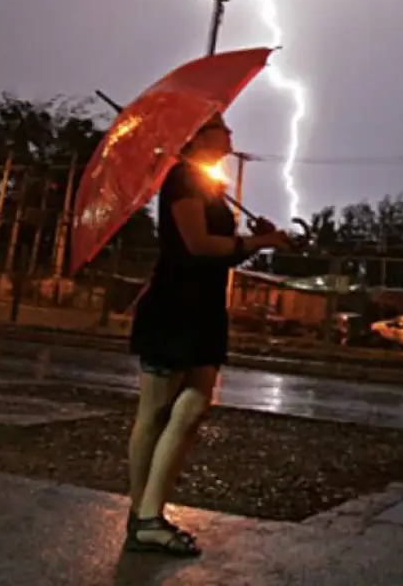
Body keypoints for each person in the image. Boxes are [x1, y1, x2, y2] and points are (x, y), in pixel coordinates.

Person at [124, 113, 290, 556]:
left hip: (202, 312)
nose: (231, 134)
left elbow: (219, 254)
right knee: (157, 410)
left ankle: (146, 513)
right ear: (198, 135)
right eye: (222, 127)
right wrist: (257, 244)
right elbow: (196, 246)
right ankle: (145, 517)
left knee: (193, 407)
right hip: (175, 307)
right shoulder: (180, 179)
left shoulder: (208, 185)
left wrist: (259, 238)